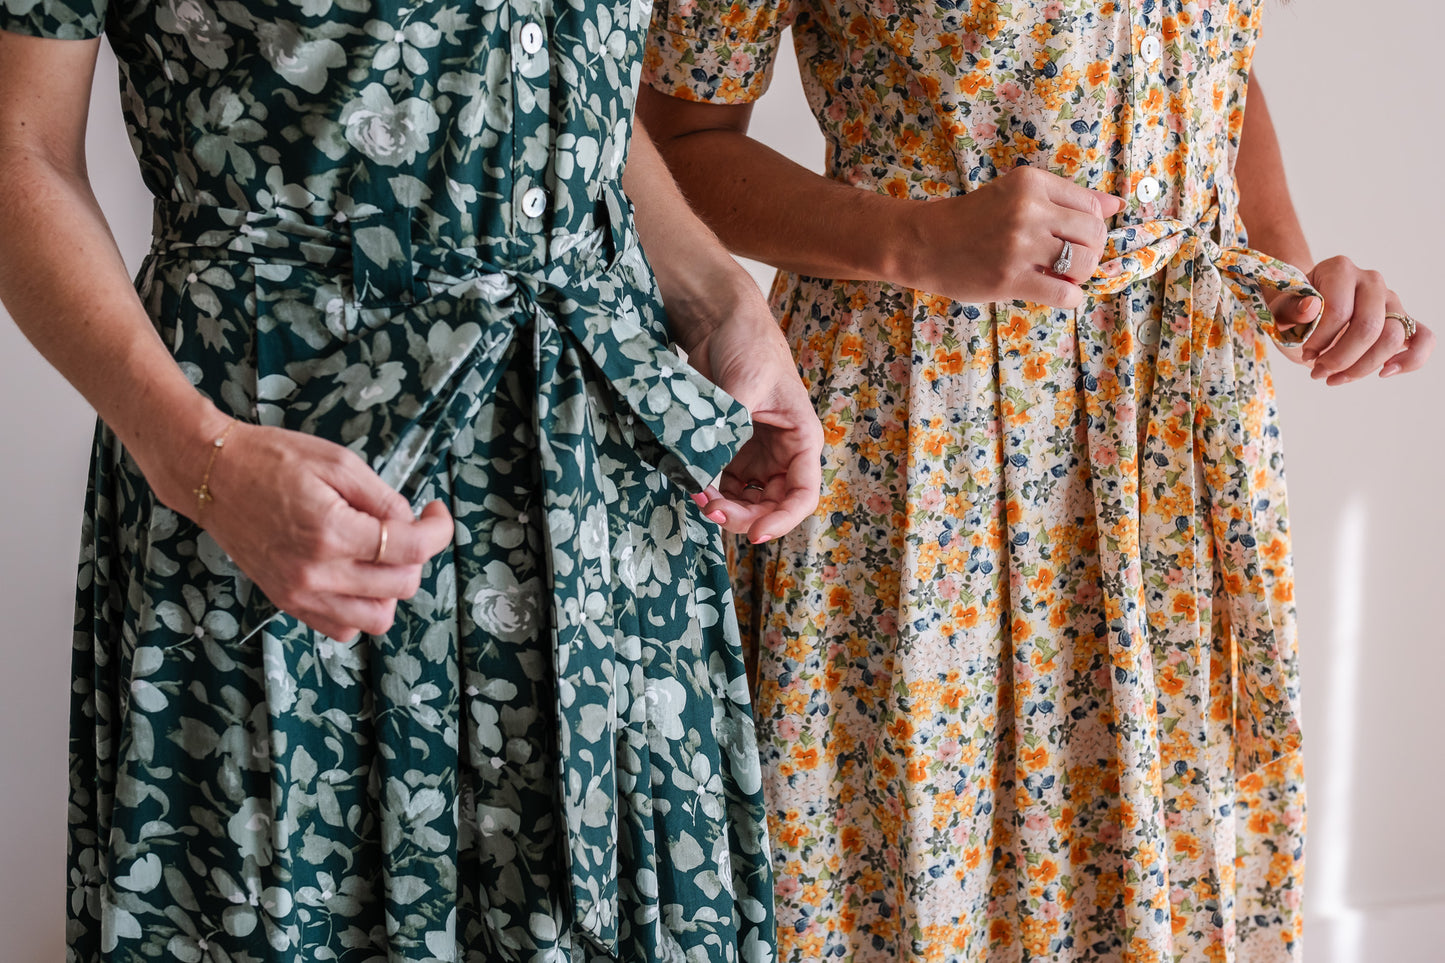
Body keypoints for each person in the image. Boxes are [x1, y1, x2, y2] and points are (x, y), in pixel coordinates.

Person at [0, 0, 825, 958]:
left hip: (602, 481)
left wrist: (718, 297)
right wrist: (199, 463)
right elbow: (22, 151)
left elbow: (545, 76)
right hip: (280, 492)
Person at [638, 1, 1433, 961]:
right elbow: (670, 135)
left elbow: (1220, 59)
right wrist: (919, 239)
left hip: (1177, 411)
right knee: (913, 855)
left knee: (1165, 847)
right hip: (924, 417)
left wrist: (1294, 271)